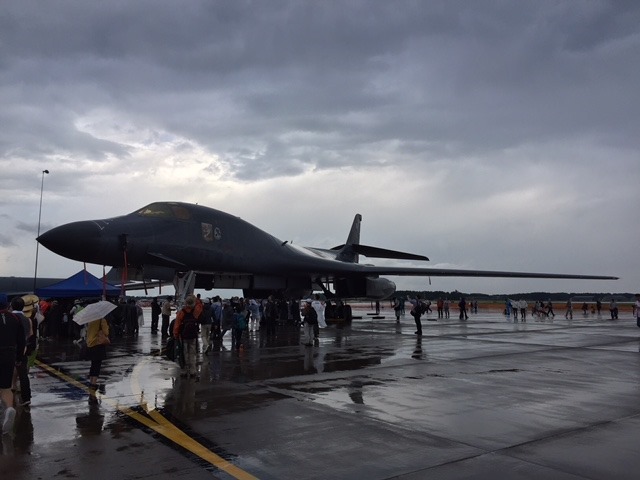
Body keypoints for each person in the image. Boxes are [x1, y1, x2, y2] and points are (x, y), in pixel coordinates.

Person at [0, 294, 25, 435]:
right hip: (9, 354)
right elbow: (21, 341)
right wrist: (19, 358)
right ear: (7, 305)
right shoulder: (15, 318)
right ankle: (9, 408)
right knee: (6, 387)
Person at [173, 295, 202, 379]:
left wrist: (175, 334)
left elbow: (177, 324)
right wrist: (194, 298)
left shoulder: (181, 312)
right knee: (192, 353)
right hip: (193, 335)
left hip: (183, 336)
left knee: (183, 353)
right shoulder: (195, 311)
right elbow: (200, 305)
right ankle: (193, 370)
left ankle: (184, 370)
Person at [10, 297, 32, 408]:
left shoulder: (9, 318)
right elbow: (30, 333)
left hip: (9, 350)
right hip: (22, 350)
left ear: (11, 306)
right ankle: (26, 398)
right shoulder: (27, 319)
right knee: (23, 375)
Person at [86, 315, 110, 399]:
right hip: (98, 344)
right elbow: (106, 332)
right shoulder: (101, 320)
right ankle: (94, 383)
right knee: (97, 365)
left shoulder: (90, 320)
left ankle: (91, 381)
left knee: (93, 364)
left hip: (91, 344)